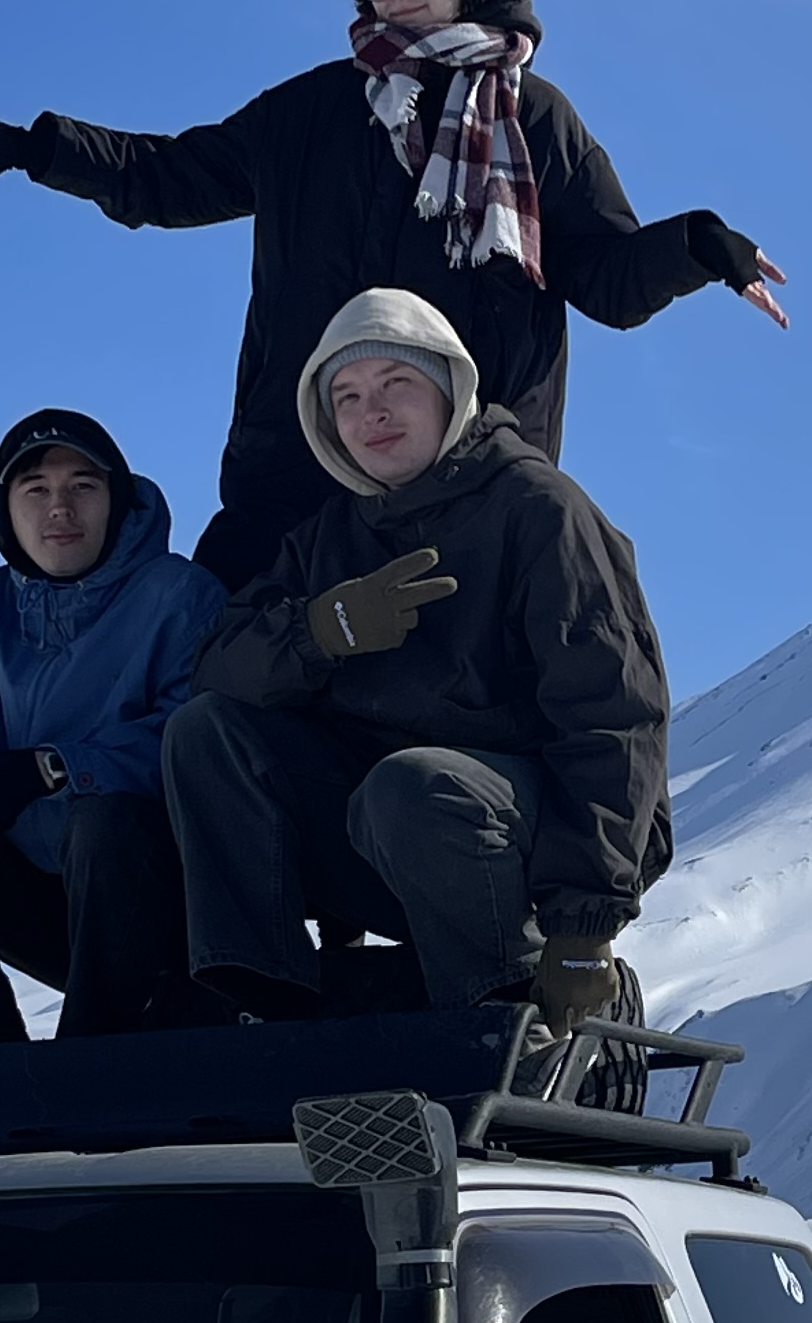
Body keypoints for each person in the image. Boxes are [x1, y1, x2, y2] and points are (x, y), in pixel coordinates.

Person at [0, 0, 787, 586]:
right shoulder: (310, 114)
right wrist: (26, 148)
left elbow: (600, 278)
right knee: (222, 697)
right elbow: (165, 178)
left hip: (468, 485)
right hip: (292, 477)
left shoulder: (531, 120)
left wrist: (695, 248)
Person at [162, 289, 668, 1031]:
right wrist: (319, 631)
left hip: (516, 842)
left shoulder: (539, 509)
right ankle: (264, 1007)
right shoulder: (329, 536)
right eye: (348, 396)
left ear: (448, 388)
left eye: (396, 382)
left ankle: (502, 1017)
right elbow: (216, 665)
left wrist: (586, 925)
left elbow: (614, 717)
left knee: (414, 785)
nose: (373, 412)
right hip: (382, 833)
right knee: (206, 732)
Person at [0, 409, 222, 1044]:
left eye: (83, 486)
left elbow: (196, 740)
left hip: (163, 907)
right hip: (41, 904)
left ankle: (93, 1061)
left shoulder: (182, 596)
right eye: (36, 490)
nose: (60, 508)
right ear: (6, 511)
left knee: (106, 819)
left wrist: (50, 768)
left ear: (117, 500)